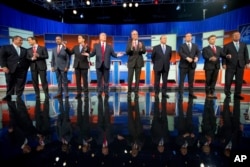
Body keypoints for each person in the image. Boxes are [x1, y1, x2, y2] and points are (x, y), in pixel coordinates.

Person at [87, 32, 123, 96]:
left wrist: (117, 55)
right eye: (103, 36)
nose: (104, 37)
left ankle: (106, 92)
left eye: (105, 36)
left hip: (106, 64)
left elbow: (113, 54)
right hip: (99, 65)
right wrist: (88, 55)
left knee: (106, 80)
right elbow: (92, 54)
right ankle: (99, 92)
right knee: (99, 79)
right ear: (100, 37)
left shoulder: (109, 46)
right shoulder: (96, 46)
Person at [0, 35, 30, 101]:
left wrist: (26, 68)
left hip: (22, 70)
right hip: (10, 69)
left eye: (22, 40)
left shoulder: (24, 49)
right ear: (14, 40)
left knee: (21, 83)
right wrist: (4, 66)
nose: (21, 42)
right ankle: (9, 96)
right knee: (10, 82)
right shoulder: (5, 47)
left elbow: (27, 60)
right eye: (20, 40)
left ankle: (19, 96)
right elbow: (2, 58)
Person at [222, 31, 250, 100]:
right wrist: (224, 64)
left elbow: (246, 55)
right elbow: (224, 56)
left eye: (238, 35)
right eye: (235, 35)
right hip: (230, 65)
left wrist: (247, 63)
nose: (237, 36)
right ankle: (227, 94)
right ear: (232, 37)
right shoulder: (227, 45)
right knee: (228, 80)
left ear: (240, 36)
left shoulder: (243, 45)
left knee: (239, 81)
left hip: (240, 65)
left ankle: (237, 94)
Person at [202, 35, 226, 99]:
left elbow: (223, 55)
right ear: (209, 40)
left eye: (214, 39)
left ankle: (212, 93)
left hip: (216, 66)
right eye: (212, 39)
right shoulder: (205, 48)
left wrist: (227, 56)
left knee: (214, 80)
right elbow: (204, 56)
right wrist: (210, 58)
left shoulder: (219, 48)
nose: (214, 40)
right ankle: (208, 93)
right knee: (208, 80)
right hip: (209, 66)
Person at [178, 33, 200, 98]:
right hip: (183, 66)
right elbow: (180, 53)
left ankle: (191, 93)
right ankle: (181, 94)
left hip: (192, 65)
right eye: (187, 36)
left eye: (189, 36)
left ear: (191, 38)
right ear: (185, 38)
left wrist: (197, 57)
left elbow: (198, 52)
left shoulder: (195, 46)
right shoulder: (182, 46)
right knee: (182, 80)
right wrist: (187, 58)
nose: (188, 37)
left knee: (191, 80)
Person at [126, 30, 146, 97]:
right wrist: (131, 47)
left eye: (136, 34)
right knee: (130, 78)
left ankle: (136, 92)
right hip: (131, 62)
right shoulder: (129, 42)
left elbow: (144, 51)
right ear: (131, 35)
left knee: (137, 78)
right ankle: (129, 92)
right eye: (134, 34)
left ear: (138, 35)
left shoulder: (141, 42)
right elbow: (127, 52)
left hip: (139, 63)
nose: (135, 35)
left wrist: (141, 48)